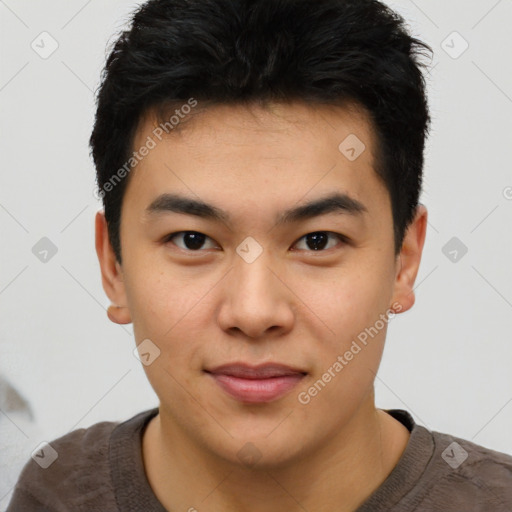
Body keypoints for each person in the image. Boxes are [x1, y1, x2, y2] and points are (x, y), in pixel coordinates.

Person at [7, 0, 512, 510]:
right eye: (193, 240)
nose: (253, 313)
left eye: (317, 241)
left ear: (404, 259)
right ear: (113, 264)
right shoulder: (56, 493)